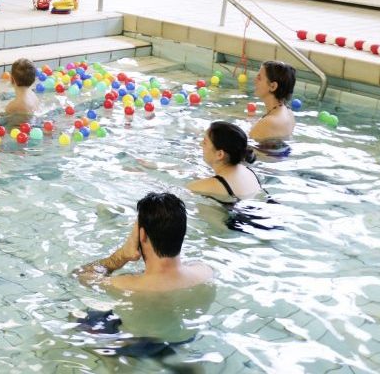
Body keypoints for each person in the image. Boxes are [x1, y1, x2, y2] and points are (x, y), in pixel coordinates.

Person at [76, 192, 212, 292]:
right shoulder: (204, 272)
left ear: (142, 235)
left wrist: (122, 255)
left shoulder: (123, 285)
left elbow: (79, 275)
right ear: (182, 231)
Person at [189, 121, 267, 203]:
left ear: (220, 154)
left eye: (205, 142)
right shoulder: (248, 171)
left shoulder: (203, 186)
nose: (200, 144)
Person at [249, 60, 296, 150]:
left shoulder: (267, 123)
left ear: (273, 86)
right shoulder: (289, 113)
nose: (255, 80)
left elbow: (247, 151)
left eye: (259, 78)